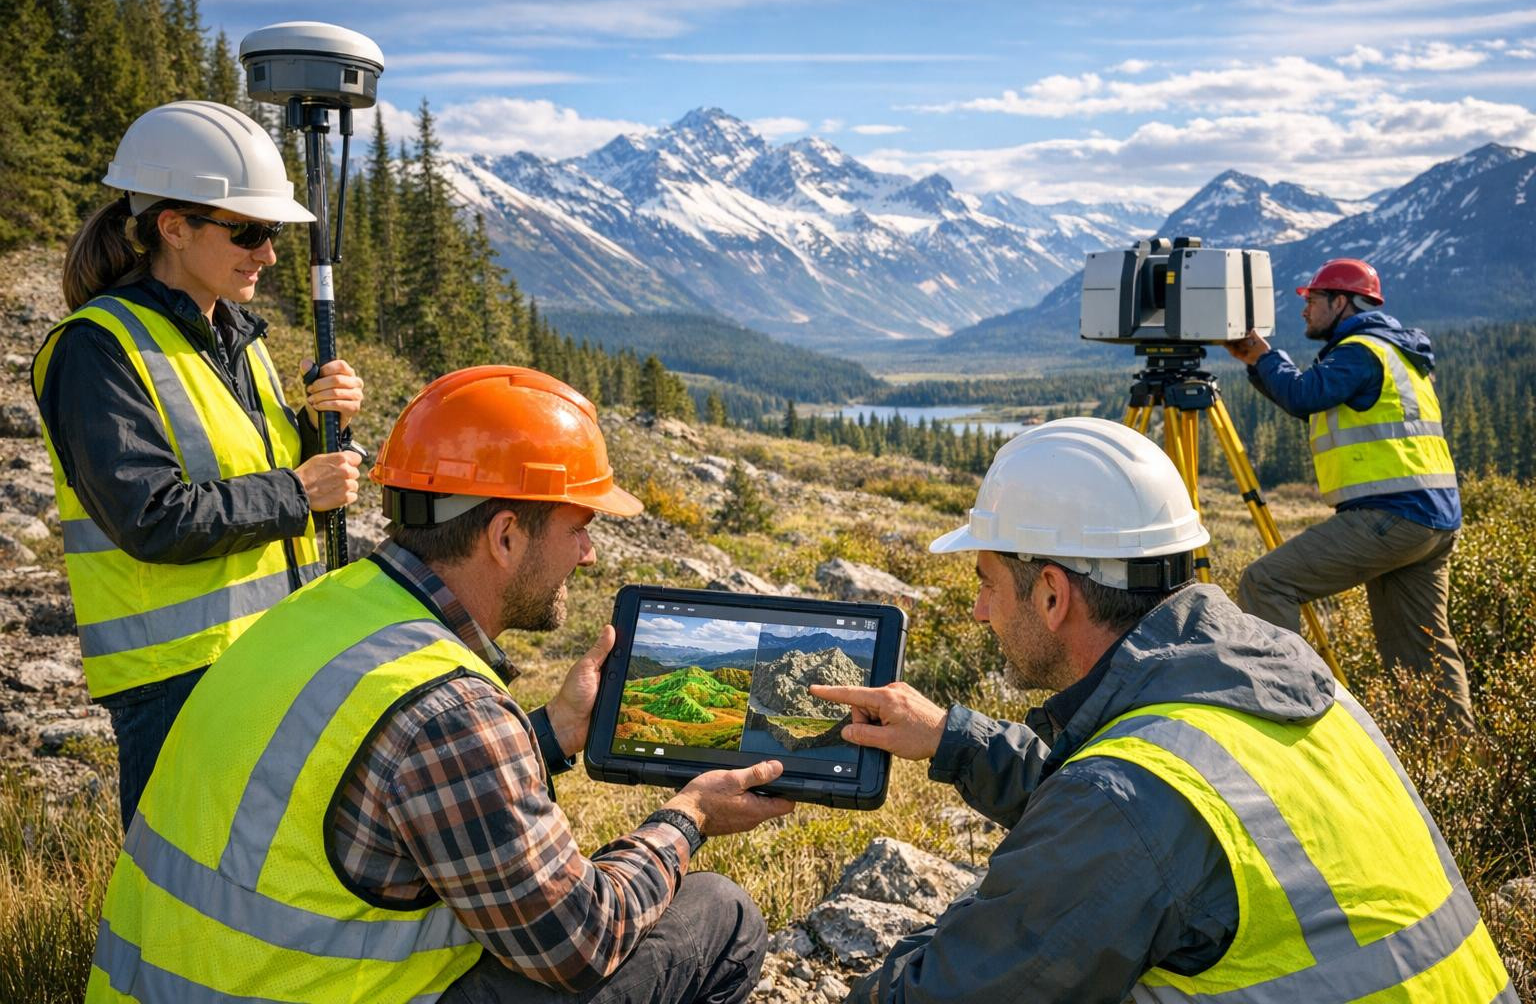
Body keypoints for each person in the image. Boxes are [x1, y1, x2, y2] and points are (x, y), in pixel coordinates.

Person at [86, 365, 792, 1004]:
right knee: (718, 916)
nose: (590, 551)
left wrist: (549, 732)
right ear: (506, 536)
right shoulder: (449, 710)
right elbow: (580, 944)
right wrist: (691, 815)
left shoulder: (318, 613)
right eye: (579, 526)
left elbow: (394, 789)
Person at [810, 417, 1511, 1004]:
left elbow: (953, 987)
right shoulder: (1279, 677)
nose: (979, 610)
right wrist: (951, 739)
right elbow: (1152, 817)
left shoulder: (1124, 802)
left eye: (987, 582)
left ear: (1052, 596)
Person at [31, 100, 365, 828]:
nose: (267, 253)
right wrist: (302, 489)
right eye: (246, 230)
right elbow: (150, 516)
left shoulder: (239, 339)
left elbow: (251, 473)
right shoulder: (97, 347)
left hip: (272, 656)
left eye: (271, 232)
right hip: (175, 680)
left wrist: (319, 430)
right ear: (173, 227)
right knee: (180, 894)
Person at [1224, 258, 1471, 736]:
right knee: (1421, 650)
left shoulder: (1361, 351)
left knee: (1266, 583)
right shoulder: (1394, 352)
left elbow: (1303, 393)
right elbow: (1312, 399)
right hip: (1432, 521)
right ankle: (1457, 758)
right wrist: (1261, 362)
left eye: (1312, 301)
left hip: (1393, 515)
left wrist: (1262, 357)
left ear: (1342, 302)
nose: (1304, 311)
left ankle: (1288, 715)